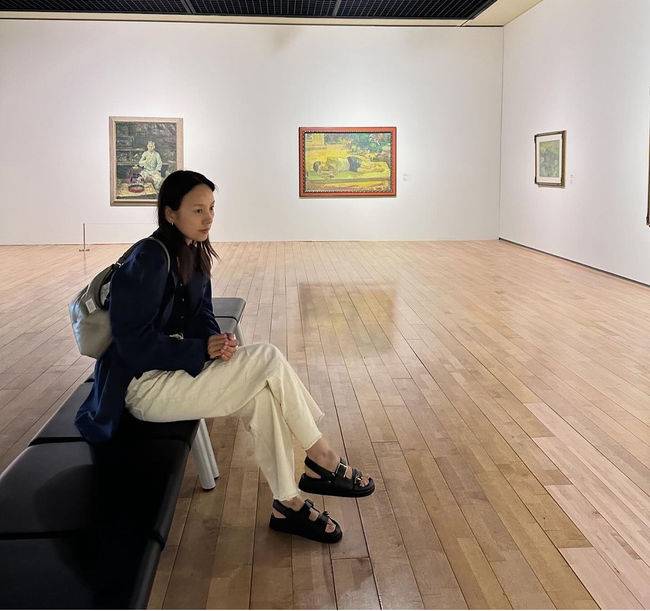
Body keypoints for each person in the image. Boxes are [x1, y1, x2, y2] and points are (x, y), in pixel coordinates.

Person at [75, 170, 374, 544]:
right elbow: (133, 344)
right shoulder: (149, 259)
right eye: (198, 210)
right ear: (170, 213)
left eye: (212, 208)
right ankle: (321, 457)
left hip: (173, 372)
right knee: (267, 357)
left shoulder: (193, 251)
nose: (208, 218)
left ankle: (288, 503)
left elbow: (201, 310)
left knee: (263, 397)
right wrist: (200, 349)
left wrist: (217, 340)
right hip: (143, 387)